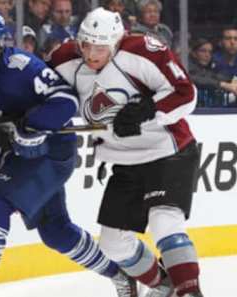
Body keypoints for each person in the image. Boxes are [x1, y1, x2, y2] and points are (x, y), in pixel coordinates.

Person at [0, 10, 137, 297]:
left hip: (49, 153)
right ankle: (120, 276)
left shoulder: (21, 66)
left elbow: (65, 100)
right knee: (55, 230)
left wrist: (28, 127)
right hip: (11, 159)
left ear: (0, 45)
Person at [49, 8, 203, 297]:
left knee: (164, 221)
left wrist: (148, 109)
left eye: (100, 47)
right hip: (124, 161)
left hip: (167, 150)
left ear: (116, 42)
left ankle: (189, 291)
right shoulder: (65, 59)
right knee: (112, 243)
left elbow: (186, 93)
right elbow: (35, 89)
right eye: (87, 45)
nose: (92, 54)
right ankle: (165, 285)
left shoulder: (143, 52)